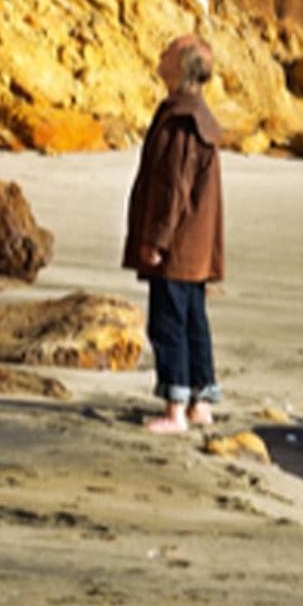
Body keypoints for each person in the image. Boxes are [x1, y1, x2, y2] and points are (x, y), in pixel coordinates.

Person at [122, 30, 229, 431]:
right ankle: (201, 403)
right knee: (193, 321)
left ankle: (175, 408)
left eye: (169, 50)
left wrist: (157, 240)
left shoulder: (182, 119)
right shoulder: (197, 115)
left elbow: (173, 190)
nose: (161, 54)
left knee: (168, 322)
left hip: (178, 247)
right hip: (196, 246)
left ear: (181, 65)